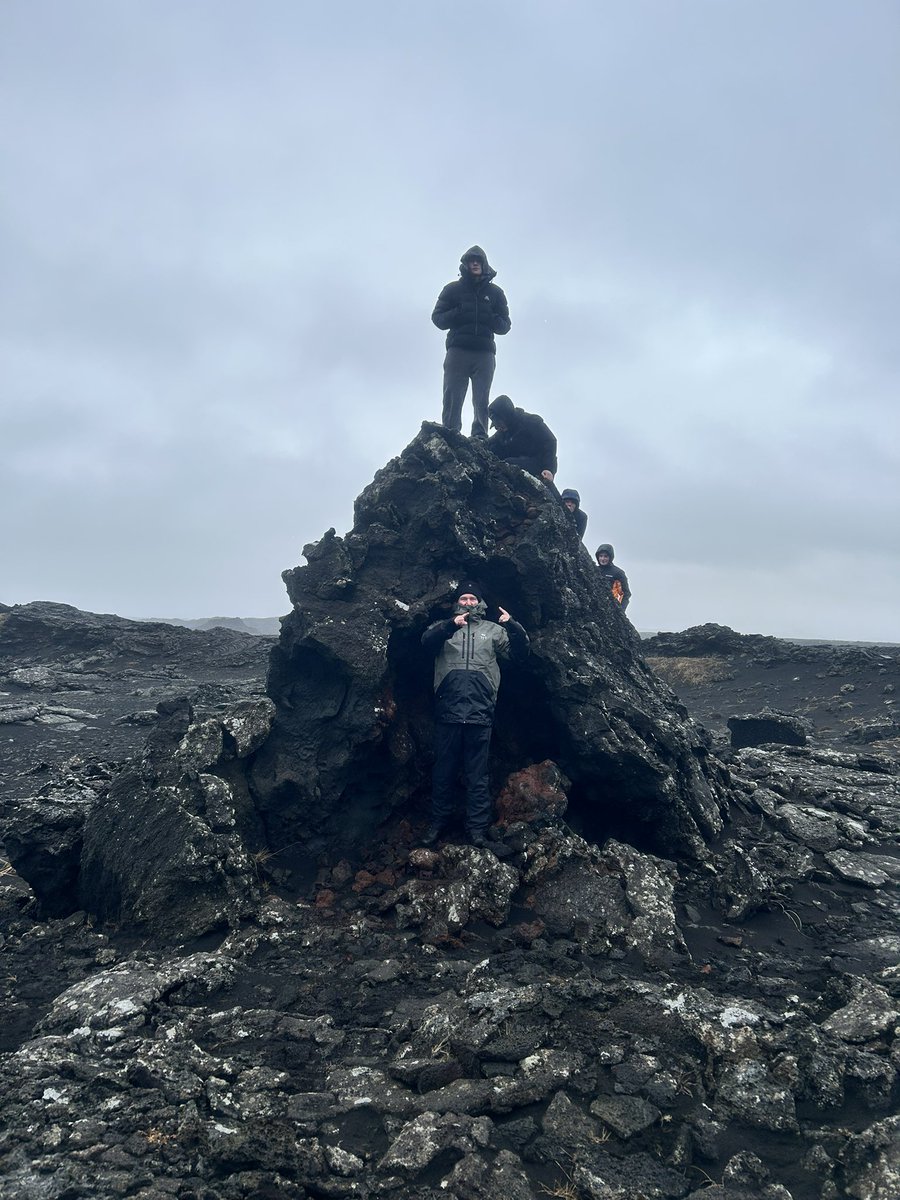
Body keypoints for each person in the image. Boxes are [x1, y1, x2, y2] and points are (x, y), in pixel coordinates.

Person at [420, 581, 528, 848]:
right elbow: (425, 643)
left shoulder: (492, 631)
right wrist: (450, 625)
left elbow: (520, 656)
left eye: (472, 599)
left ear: (480, 603)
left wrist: (512, 625)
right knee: (443, 772)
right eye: (464, 598)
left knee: (477, 775)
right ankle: (437, 825)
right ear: (458, 602)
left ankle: (477, 831)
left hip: (480, 713)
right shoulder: (443, 628)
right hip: (448, 711)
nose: (468, 603)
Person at [431, 246, 511, 439]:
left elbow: (505, 325)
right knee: (452, 394)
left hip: (484, 353)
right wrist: (458, 312)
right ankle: (450, 432)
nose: (475, 263)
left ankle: (480, 435)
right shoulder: (452, 290)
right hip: (458, 351)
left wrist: (490, 318)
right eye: (471, 260)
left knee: (481, 398)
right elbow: (438, 318)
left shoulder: (496, 293)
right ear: (465, 265)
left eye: (478, 260)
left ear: (484, 264)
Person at [486, 395, 558, 481]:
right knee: (493, 449)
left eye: (498, 423)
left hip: (539, 462)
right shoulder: (503, 432)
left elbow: (550, 441)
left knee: (508, 464)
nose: (497, 427)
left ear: (506, 417)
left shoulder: (530, 422)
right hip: (519, 459)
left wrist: (549, 469)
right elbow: (489, 442)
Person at [595, 544, 631, 610]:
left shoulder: (618, 573)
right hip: (596, 606)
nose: (603, 559)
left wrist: (621, 610)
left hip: (610, 608)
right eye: (601, 556)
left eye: (605, 556)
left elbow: (626, 593)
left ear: (610, 557)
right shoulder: (593, 569)